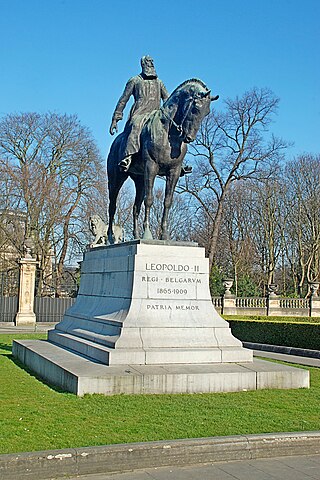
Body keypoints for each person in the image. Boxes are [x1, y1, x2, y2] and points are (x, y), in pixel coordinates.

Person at [109, 56, 169, 172]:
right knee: (136, 125)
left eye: (152, 62)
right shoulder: (135, 80)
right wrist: (116, 118)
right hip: (139, 114)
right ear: (143, 64)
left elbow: (167, 98)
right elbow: (123, 99)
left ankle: (175, 162)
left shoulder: (159, 82)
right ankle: (128, 156)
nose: (151, 64)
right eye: (148, 62)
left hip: (156, 115)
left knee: (169, 129)